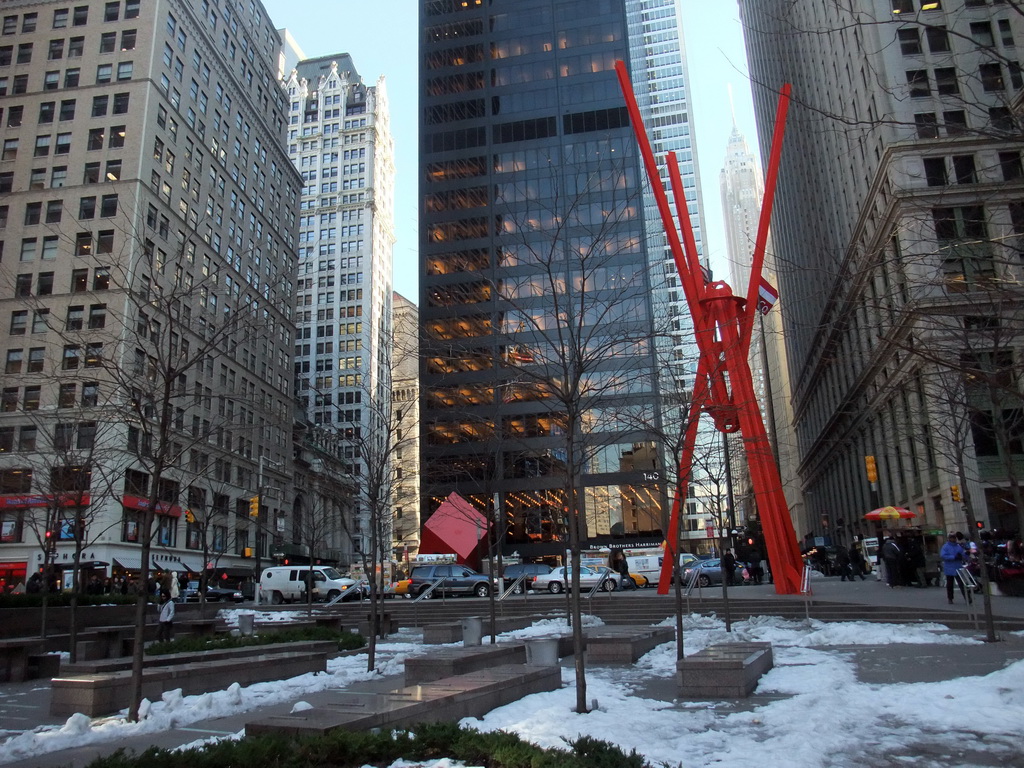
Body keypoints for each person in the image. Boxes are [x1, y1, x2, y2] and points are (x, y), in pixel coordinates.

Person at [940, 532, 969, 604]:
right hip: (949, 567)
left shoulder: (958, 546)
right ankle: (950, 598)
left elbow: (963, 554)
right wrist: (953, 557)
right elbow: (943, 556)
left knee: (961, 584)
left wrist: (965, 555)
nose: (953, 539)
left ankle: (967, 598)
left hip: (957, 567)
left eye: (954, 538)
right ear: (949, 538)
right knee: (950, 584)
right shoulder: (945, 546)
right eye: (952, 538)